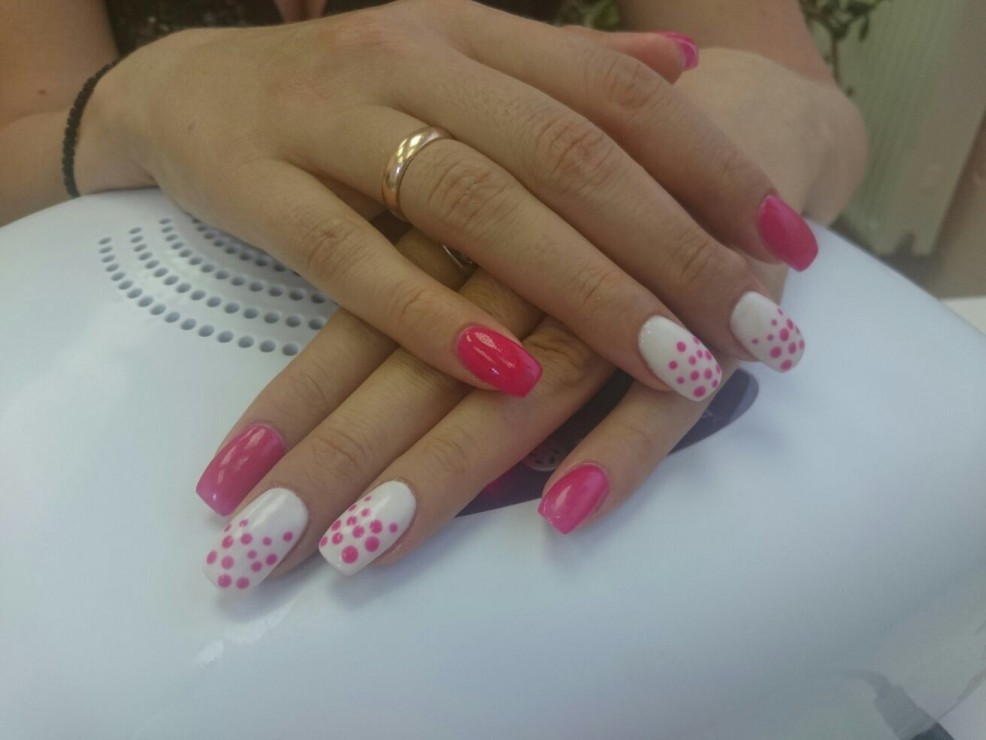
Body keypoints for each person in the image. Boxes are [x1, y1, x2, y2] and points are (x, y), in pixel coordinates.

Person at [0, 0, 867, 590]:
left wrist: (748, 115)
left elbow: (820, 108)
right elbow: (18, 140)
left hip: (567, 346)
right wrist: (139, 94)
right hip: (125, 386)